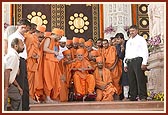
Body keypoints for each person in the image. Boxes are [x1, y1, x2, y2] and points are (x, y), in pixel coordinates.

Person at [8, 18, 31, 111]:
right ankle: (20, 108)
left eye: (26, 28)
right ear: (18, 27)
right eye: (22, 27)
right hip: (17, 60)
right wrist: (16, 65)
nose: (24, 29)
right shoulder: (14, 37)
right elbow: (12, 50)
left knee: (25, 84)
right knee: (21, 84)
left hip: (22, 60)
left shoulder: (22, 37)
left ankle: (25, 106)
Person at [124, 25, 149, 101]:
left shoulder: (141, 39)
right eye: (130, 31)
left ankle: (143, 96)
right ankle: (133, 96)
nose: (131, 32)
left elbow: (145, 51)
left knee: (140, 79)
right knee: (131, 80)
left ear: (137, 31)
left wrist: (144, 62)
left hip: (138, 60)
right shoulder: (128, 41)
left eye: (133, 31)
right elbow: (126, 53)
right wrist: (125, 64)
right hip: (129, 61)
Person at [43, 28, 64, 103]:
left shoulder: (55, 42)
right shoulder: (49, 39)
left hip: (53, 61)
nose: (60, 38)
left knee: (54, 79)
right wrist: (54, 52)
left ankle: (51, 97)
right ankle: (47, 97)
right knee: (48, 79)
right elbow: (44, 48)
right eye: (60, 36)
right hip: (48, 61)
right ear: (56, 34)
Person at [4, 38, 24, 111]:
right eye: (22, 45)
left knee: (18, 97)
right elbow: (7, 71)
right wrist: (6, 89)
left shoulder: (15, 56)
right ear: (16, 46)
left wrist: (18, 87)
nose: (23, 46)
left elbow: (11, 75)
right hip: (4, 84)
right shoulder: (13, 56)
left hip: (9, 84)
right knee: (4, 103)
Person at [115, 33, 129, 101]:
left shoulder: (128, 43)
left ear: (122, 38)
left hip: (131, 62)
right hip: (123, 64)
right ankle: (126, 96)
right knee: (125, 80)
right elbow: (120, 56)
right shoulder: (117, 46)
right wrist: (122, 50)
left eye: (118, 39)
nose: (117, 41)